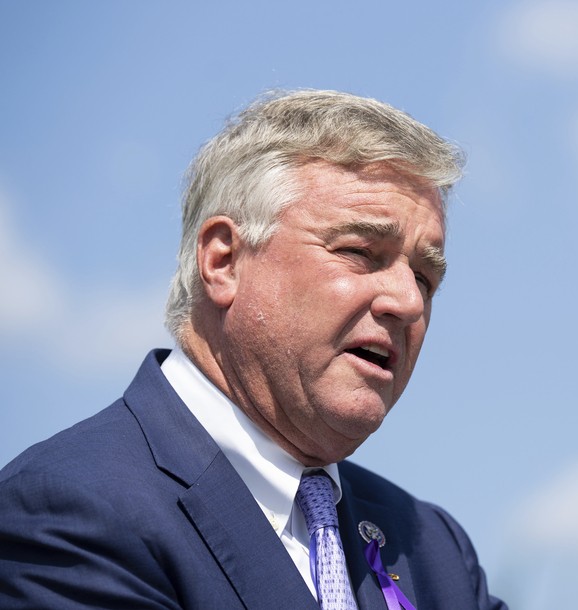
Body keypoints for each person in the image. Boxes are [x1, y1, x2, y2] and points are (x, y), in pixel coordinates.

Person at [0, 90, 507, 610]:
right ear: (224, 261)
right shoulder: (71, 513)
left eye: (424, 278)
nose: (407, 302)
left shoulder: (436, 554)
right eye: (359, 252)